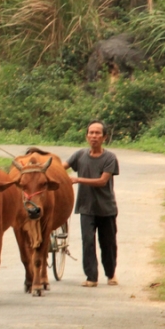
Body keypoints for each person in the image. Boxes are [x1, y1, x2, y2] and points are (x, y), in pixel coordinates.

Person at [63, 120, 120, 287]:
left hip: (106, 208)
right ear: (86, 136)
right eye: (91, 133)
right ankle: (91, 277)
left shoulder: (109, 158)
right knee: (87, 242)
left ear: (104, 137)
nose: (94, 136)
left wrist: (77, 179)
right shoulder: (79, 155)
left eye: (97, 133)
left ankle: (110, 274)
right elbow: (62, 167)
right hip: (86, 207)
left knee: (108, 243)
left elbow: (103, 181)